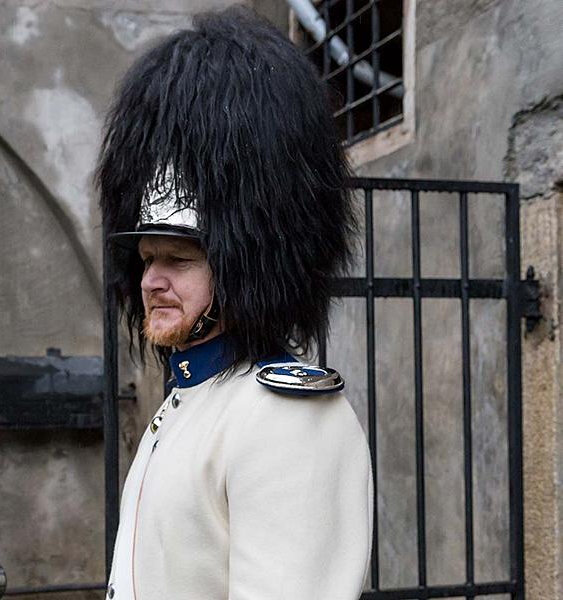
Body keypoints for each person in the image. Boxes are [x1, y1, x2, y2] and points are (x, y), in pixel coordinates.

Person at [97, 7, 373, 599]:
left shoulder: (287, 417)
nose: (151, 280)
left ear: (246, 262)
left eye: (179, 259)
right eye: (148, 259)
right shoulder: (190, 400)